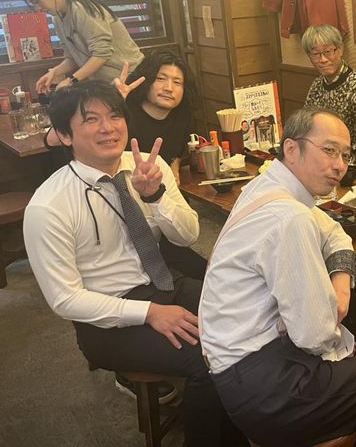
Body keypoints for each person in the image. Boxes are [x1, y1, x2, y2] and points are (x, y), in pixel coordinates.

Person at [23, 81, 246, 447]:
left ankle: (249, 420)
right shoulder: (49, 206)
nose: (108, 128)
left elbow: (188, 236)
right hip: (107, 318)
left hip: (165, 283)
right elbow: (64, 299)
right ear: (64, 135)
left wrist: (155, 195)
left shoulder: (148, 167)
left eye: (114, 116)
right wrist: (149, 313)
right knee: (209, 358)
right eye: (91, 120)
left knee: (250, 315)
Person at [199, 106, 356, 447]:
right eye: (329, 150)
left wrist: (342, 287)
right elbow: (314, 337)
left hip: (237, 370)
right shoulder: (289, 217)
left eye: (346, 155)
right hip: (266, 389)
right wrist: (339, 333)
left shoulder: (267, 186)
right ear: (292, 149)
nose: (340, 166)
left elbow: (335, 232)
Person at [22, 0, 144, 92]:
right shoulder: (57, 19)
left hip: (131, 77)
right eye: (33, 5)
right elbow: (73, 57)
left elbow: (102, 54)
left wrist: (71, 80)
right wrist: (54, 72)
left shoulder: (80, 8)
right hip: (109, 84)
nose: (38, 8)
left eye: (37, 1)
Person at [114, 50, 196, 183]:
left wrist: (175, 165)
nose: (169, 88)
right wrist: (114, 103)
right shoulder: (124, 112)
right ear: (146, 80)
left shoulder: (183, 113)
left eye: (177, 82)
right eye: (161, 79)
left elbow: (179, 151)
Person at [303, 23, 356, 150]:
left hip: (348, 156)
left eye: (328, 52)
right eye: (315, 54)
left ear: (340, 49)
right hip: (318, 153)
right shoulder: (316, 85)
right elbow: (306, 126)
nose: (323, 59)